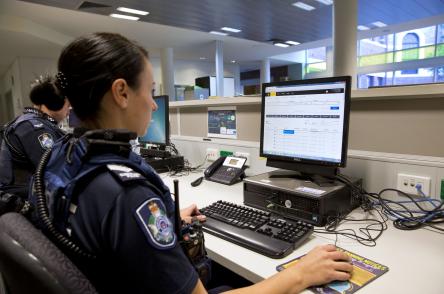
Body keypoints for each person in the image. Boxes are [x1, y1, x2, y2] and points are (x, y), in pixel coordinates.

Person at [30, 32, 353, 294]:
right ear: (121, 92)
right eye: (150, 91)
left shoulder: (58, 157)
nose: (153, 106)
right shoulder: (127, 194)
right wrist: (302, 274)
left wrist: (164, 222)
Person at [0, 76, 69, 199]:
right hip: (24, 199)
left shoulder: (32, 122)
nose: (68, 109)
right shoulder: (35, 129)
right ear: (55, 103)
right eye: (67, 103)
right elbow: (56, 170)